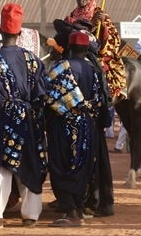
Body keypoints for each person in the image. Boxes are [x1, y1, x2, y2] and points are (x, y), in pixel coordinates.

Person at [0, 4, 47, 228]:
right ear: (20, 32)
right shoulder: (33, 61)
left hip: (2, 119)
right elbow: (42, 94)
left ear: (1, 34)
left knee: (2, 167)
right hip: (29, 119)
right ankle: (31, 216)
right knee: (30, 164)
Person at [43, 30, 112, 226]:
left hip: (64, 124)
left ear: (70, 47)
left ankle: (70, 212)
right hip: (87, 125)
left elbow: (48, 99)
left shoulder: (61, 67)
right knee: (82, 166)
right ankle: (79, 210)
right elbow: (101, 99)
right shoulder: (93, 69)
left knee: (61, 165)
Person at [63, 0, 126, 100]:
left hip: (93, 51)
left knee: (98, 69)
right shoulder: (74, 13)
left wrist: (103, 25)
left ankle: (102, 95)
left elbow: (114, 38)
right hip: (74, 50)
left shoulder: (99, 13)